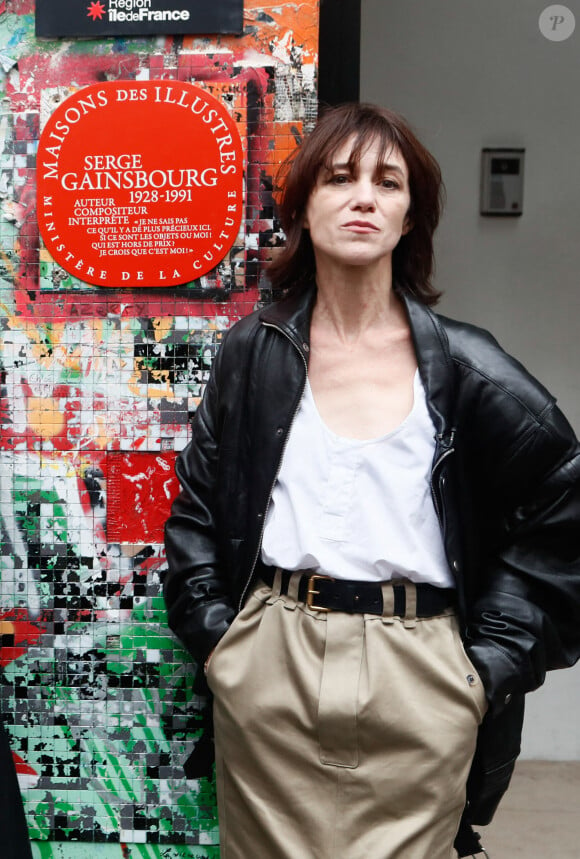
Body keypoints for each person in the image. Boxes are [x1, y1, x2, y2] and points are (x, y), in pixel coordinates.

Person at [163, 103, 580, 858]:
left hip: (419, 668)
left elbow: (562, 507)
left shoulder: (467, 368)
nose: (364, 197)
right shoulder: (251, 355)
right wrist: (222, 641)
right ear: (303, 206)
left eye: (388, 182)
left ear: (409, 214)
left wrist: (483, 669)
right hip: (270, 656)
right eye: (340, 177)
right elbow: (195, 507)